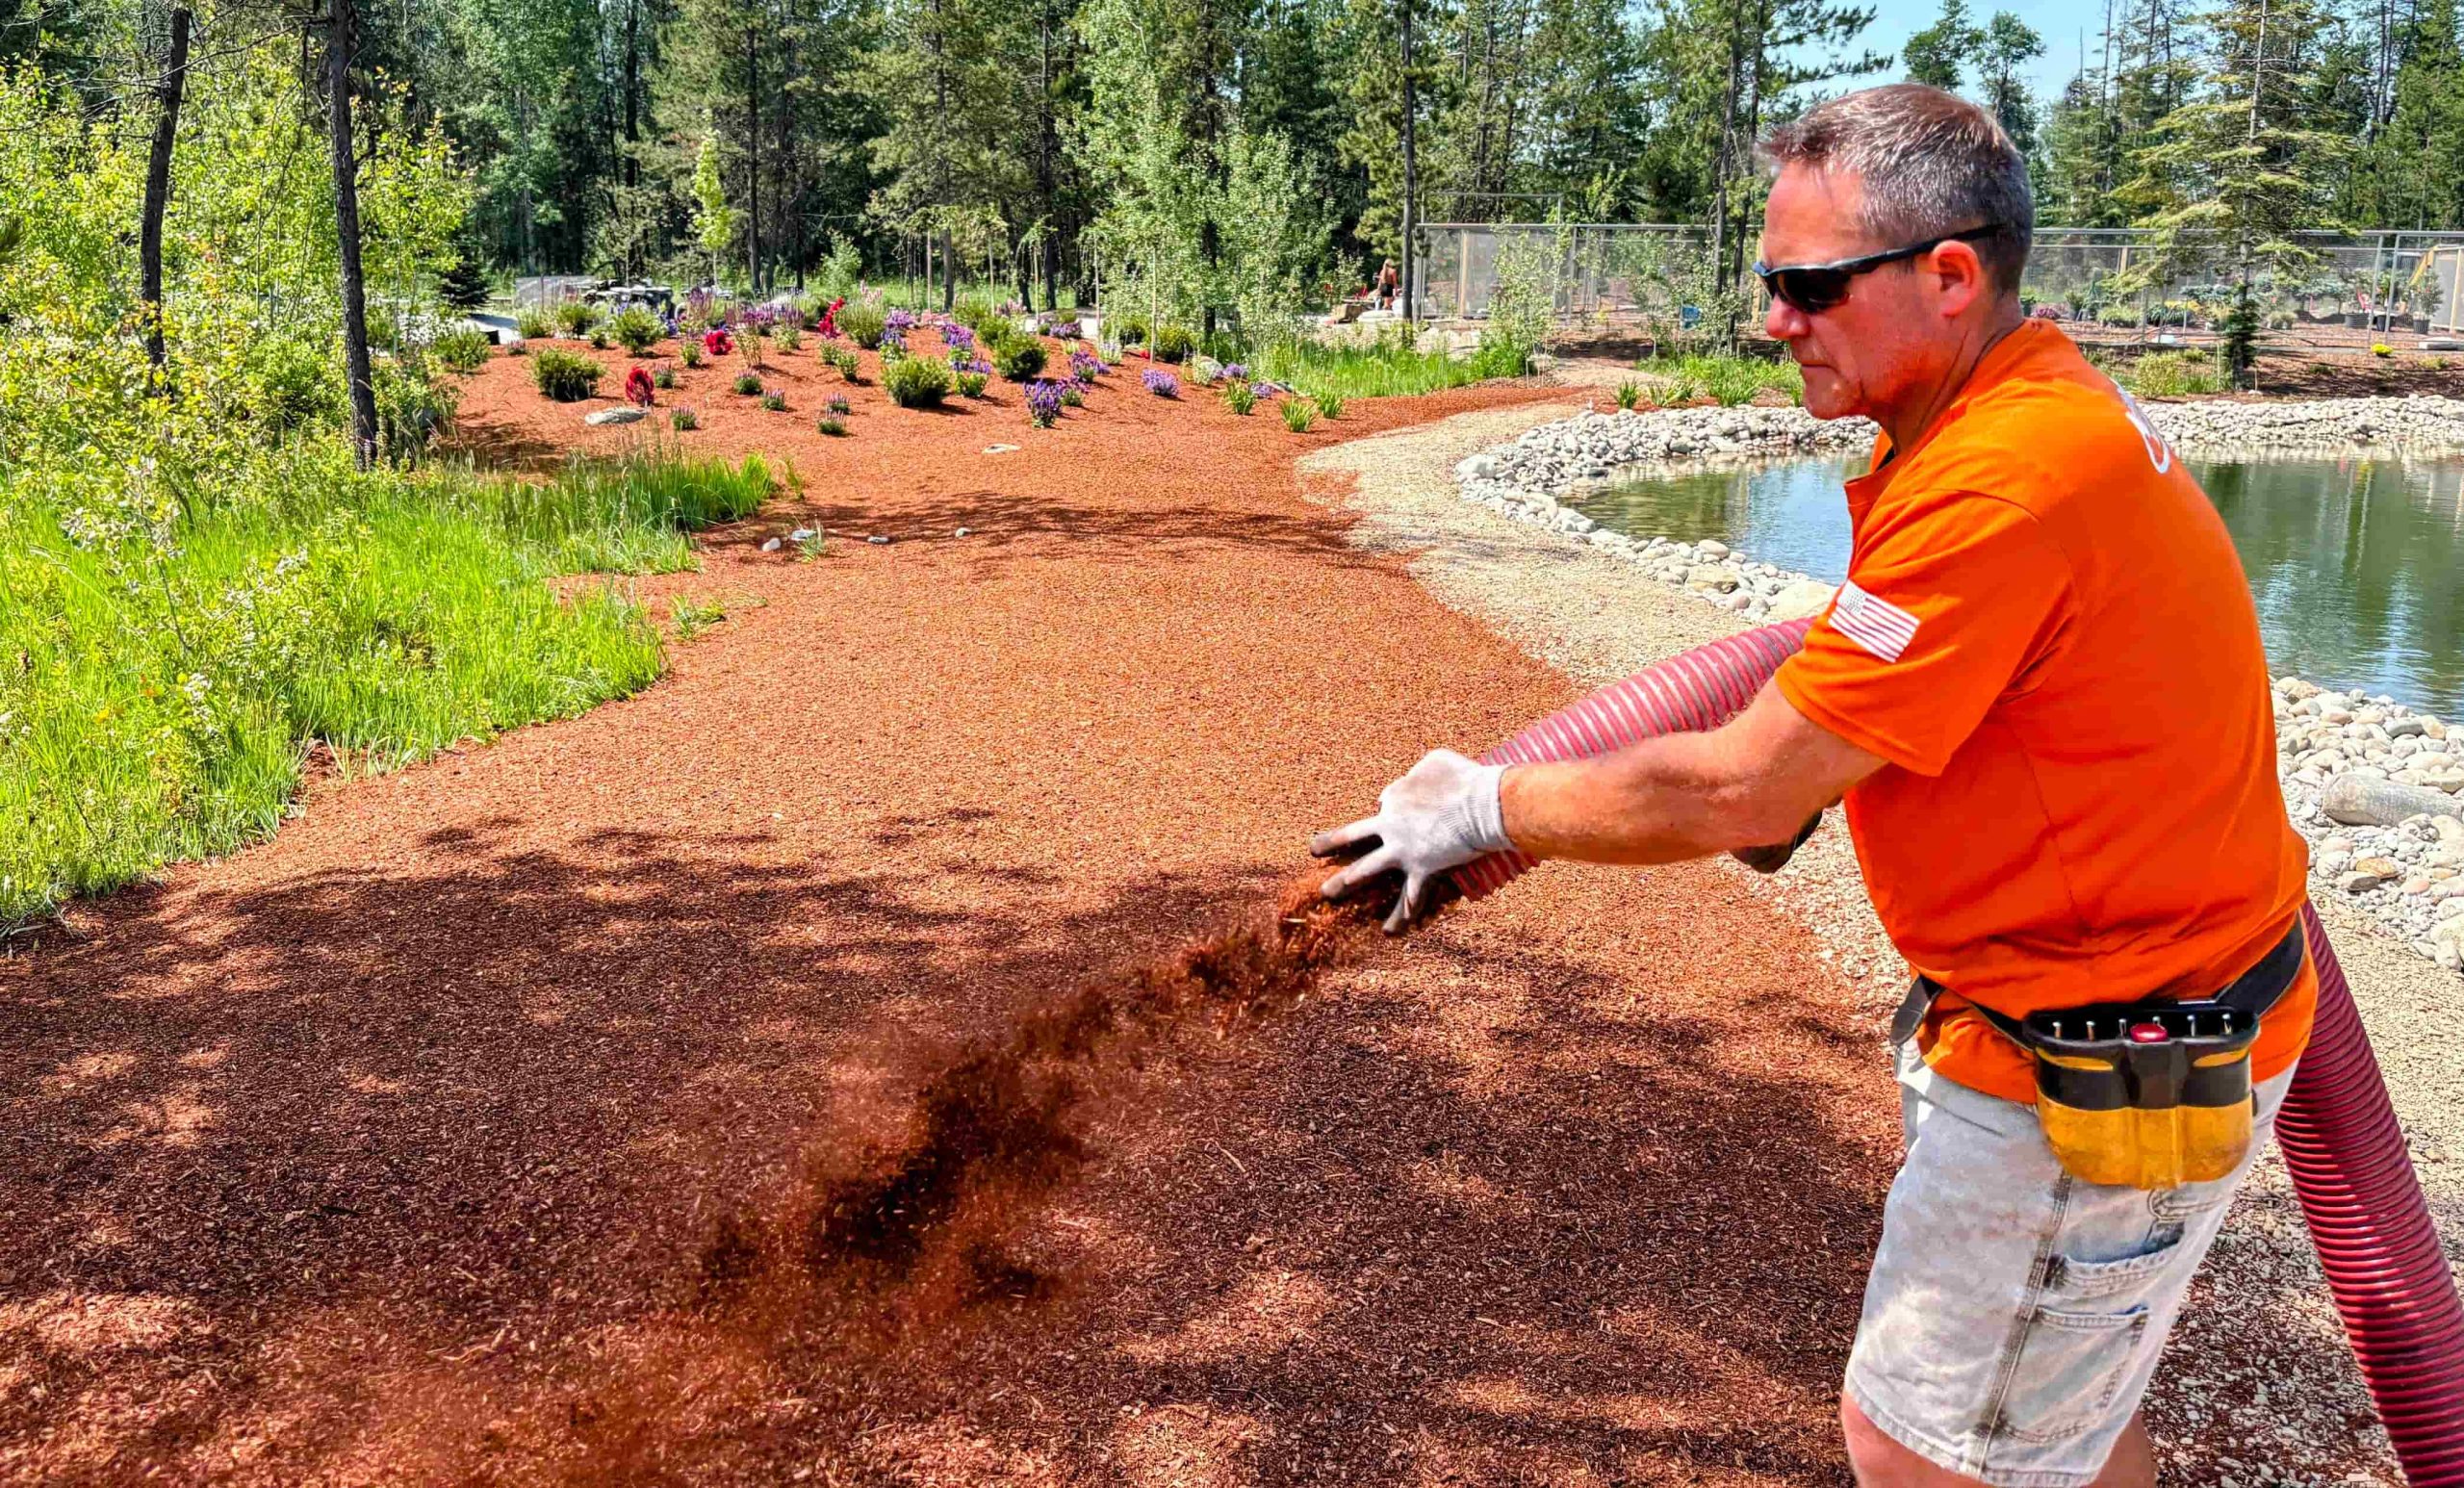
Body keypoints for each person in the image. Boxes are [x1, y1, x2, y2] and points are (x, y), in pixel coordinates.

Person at [1313, 84, 2314, 1488]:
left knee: (1921, 1447)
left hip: (2105, 1056)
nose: (1774, 318)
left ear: (1950, 278)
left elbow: (1739, 790)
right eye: (1770, 282)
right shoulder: (2025, 414)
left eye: (1808, 286)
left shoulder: (2001, 481)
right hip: (2118, 1002)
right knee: (2052, 1418)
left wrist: (1480, 810)